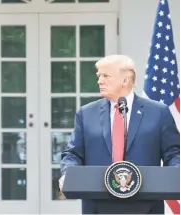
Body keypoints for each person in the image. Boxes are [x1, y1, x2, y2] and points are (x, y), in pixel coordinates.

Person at [58, 55, 180, 214]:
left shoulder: (158, 112)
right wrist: (68, 173)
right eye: (99, 76)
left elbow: (173, 153)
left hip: (146, 206)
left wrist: (176, 173)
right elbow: (73, 153)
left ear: (126, 80)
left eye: (106, 76)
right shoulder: (86, 113)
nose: (99, 81)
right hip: (97, 206)